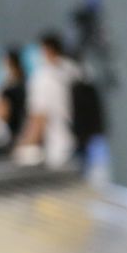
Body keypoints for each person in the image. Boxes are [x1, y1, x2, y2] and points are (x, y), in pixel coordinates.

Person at [17, 31, 80, 168]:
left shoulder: (42, 78)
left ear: (46, 50)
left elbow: (39, 117)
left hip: (59, 149)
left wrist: (24, 147)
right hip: (85, 147)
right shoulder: (75, 70)